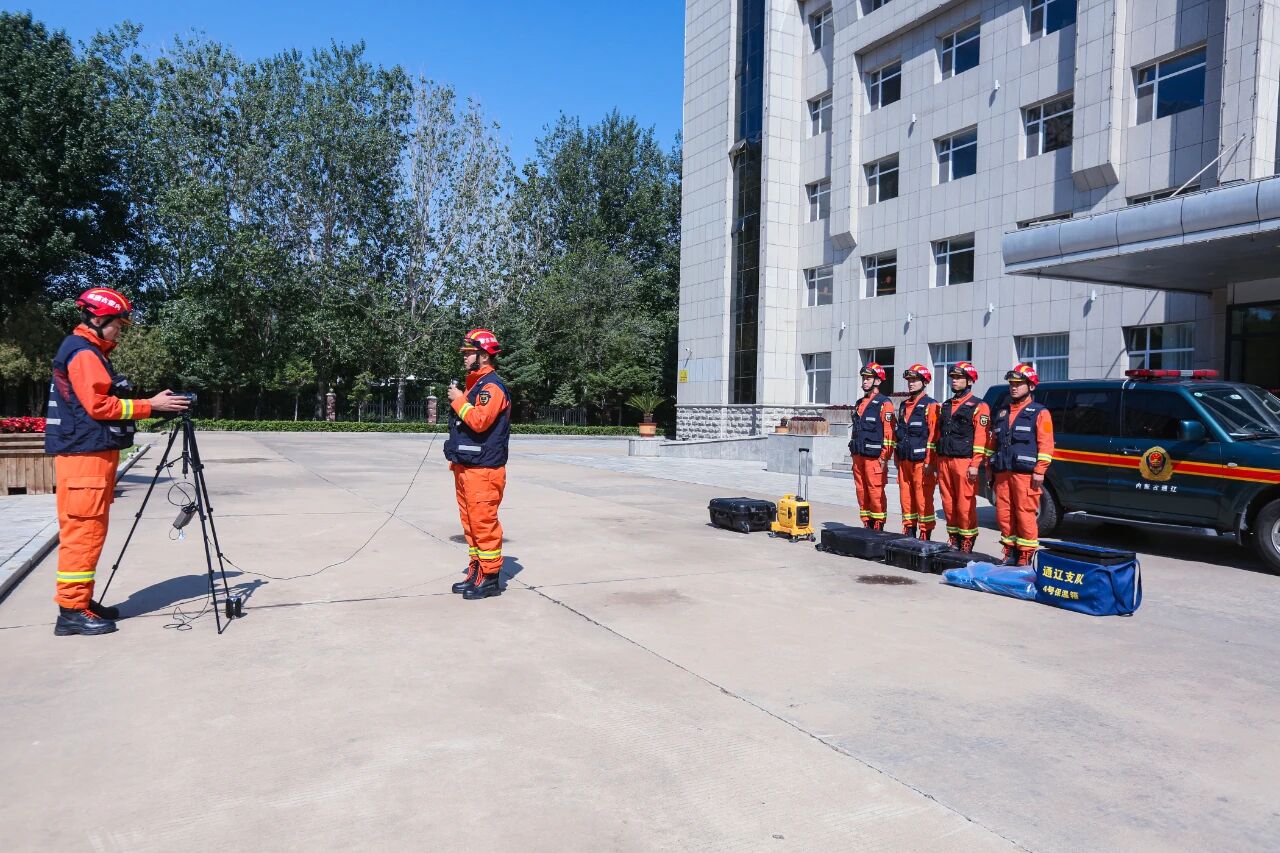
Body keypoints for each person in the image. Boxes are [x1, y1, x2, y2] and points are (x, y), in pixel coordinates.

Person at [45, 288, 191, 636]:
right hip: (85, 459)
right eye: (118, 326)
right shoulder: (82, 352)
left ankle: (79, 601)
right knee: (84, 533)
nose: (120, 333)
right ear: (98, 319)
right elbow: (98, 406)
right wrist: (150, 405)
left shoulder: (88, 350)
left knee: (89, 532)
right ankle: (71, 612)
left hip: (88, 456)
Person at [444, 328, 511, 600]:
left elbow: (480, 421)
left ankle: (491, 577)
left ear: (483, 356)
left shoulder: (491, 387)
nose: (465, 357)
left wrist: (459, 399)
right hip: (467, 466)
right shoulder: (476, 385)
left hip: (484, 469)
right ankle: (477, 570)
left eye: (469, 353)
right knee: (470, 524)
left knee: (483, 523)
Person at [985, 363, 1054, 566]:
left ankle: (1025, 555)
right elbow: (992, 443)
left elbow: (1046, 444)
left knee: (1025, 514)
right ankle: (1009, 551)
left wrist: (1040, 471)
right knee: (1004, 514)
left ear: (1031, 386)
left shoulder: (1040, 413)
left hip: (1025, 475)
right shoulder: (1002, 412)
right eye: (1012, 384)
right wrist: (989, 468)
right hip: (1003, 473)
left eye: (1019, 384)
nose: (1014, 387)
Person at [935, 361, 990, 552]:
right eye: (953, 378)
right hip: (944, 460)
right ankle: (953, 537)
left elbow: (981, 438)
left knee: (964, 502)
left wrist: (975, 464)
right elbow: (939, 434)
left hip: (964, 462)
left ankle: (967, 538)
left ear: (969, 380)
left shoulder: (979, 406)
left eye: (959, 378)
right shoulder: (946, 405)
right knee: (948, 502)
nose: (955, 381)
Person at [895, 364, 940, 540]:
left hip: (922, 461)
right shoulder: (903, 405)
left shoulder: (931, 405)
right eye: (909, 381)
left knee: (923, 499)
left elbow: (933, 437)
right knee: (905, 498)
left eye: (915, 380)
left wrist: (930, 461)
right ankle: (908, 529)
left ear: (924, 382)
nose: (911, 384)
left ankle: (925, 532)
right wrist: (897, 458)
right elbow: (899, 433)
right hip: (905, 460)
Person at [848, 362, 895, 530]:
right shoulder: (859, 403)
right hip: (859, 456)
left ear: (878, 381)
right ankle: (866, 523)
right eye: (864, 378)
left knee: (875, 492)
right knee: (861, 491)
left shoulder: (885, 403)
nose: (865, 381)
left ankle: (878, 525)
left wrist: (885, 457)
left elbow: (889, 435)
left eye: (868, 378)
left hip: (875, 458)